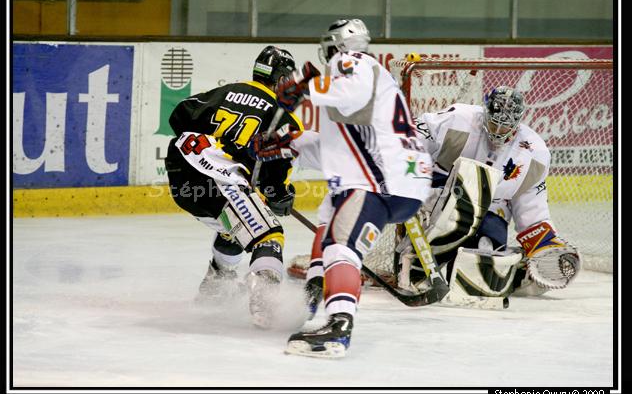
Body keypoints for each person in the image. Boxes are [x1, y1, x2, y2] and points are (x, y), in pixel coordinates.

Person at [250, 19, 433, 357]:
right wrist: (290, 142)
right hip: (399, 179)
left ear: (339, 45)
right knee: (330, 218)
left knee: (341, 248)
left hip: (379, 179)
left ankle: (338, 328)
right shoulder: (370, 81)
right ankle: (315, 290)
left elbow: (350, 93)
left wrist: (306, 88)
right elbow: (338, 146)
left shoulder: (352, 62)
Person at [164, 45, 303, 328]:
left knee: (236, 228)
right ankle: (264, 301)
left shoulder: (223, 91)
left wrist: (218, 142)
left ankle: (215, 288)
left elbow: (179, 115)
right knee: (269, 235)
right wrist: (279, 195)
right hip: (222, 181)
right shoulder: (284, 117)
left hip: (182, 178)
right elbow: (276, 172)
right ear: (281, 79)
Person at [400, 86, 582, 298]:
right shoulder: (458, 119)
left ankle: (517, 272)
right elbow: (410, 138)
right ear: (486, 111)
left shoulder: (534, 153)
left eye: (505, 127)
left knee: (485, 256)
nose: (498, 131)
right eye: (495, 123)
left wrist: (543, 241)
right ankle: (415, 270)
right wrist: (406, 174)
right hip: (443, 191)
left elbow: (530, 202)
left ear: (518, 123)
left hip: (492, 207)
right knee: (451, 221)